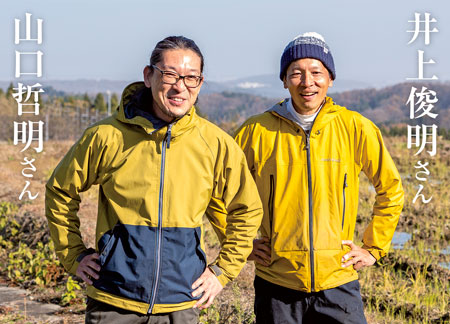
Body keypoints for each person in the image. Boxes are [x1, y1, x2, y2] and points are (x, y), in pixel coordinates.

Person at [45, 35, 263, 324]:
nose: (180, 86)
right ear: (148, 76)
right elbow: (60, 191)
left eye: (191, 78)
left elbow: (247, 209)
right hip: (113, 301)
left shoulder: (216, 144)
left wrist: (222, 271)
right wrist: (73, 254)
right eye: (170, 74)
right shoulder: (106, 136)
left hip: (181, 304)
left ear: (200, 83)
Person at [235, 32, 404, 324]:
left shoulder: (355, 127)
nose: (307, 82)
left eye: (316, 72)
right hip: (277, 281)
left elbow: (390, 188)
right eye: (296, 73)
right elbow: (219, 191)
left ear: (330, 78)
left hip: (337, 281)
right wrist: (239, 243)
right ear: (284, 80)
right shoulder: (256, 131)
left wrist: (374, 248)